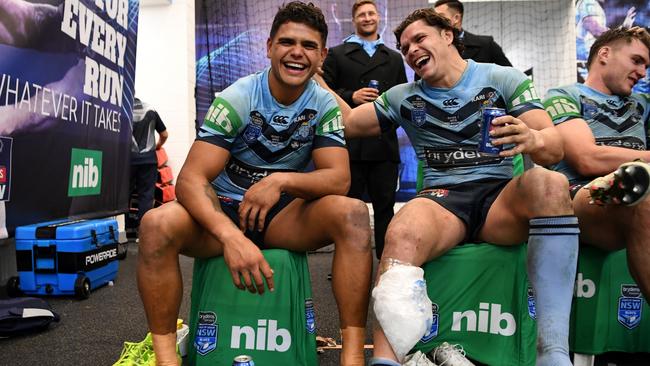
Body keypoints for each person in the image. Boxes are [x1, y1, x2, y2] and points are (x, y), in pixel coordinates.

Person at [317, 8, 579, 366]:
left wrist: (532, 136)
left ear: (448, 34)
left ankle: (553, 354)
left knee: (549, 183)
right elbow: (347, 122)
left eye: (418, 39)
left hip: (498, 200)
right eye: (404, 46)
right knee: (402, 230)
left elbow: (555, 147)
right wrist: (316, 76)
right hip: (442, 202)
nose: (410, 50)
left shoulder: (502, 78)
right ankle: (385, 361)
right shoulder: (401, 97)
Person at [136, 2, 372, 366]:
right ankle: (166, 358)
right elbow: (190, 179)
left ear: (322, 55)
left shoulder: (324, 104)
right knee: (155, 223)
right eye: (286, 42)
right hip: (225, 213)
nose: (297, 53)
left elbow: (339, 179)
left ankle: (353, 357)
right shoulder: (238, 97)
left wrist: (280, 180)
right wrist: (230, 237)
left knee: (354, 214)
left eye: (309, 46)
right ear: (269, 47)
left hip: (282, 218)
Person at [543, 26, 650, 300]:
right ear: (604, 54)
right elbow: (586, 158)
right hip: (586, 196)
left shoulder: (641, 104)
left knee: (643, 186)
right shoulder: (564, 96)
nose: (642, 72)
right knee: (640, 187)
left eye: (646, 65)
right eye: (636, 60)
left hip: (639, 194)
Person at [322, 0, 407, 259]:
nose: (367, 18)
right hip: (350, 147)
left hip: (384, 146)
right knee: (348, 208)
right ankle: (347, 260)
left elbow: (403, 98)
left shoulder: (393, 57)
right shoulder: (336, 54)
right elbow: (322, 92)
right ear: (354, 20)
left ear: (378, 17)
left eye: (371, 13)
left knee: (385, 209)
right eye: (362, 14)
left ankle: (385, 261)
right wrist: (351, 96)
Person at [129, 97, 168, 232]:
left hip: (128, 160)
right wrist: (158, 146)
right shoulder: (150, 109)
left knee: (124, 195)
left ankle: (124, 228)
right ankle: (144, 232)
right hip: (148, 159)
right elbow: (164, 134)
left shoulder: (123, 111)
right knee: (146, 195)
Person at [433, 0, 512, 66]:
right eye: (434, 17)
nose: (436, 20)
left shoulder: (486, 44)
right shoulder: (432, 46)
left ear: (456, 18)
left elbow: (510, 74)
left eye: (440, 16)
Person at [575, 0, 636, 81]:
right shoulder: (588, 2)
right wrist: (622, 30)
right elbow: (596, 30)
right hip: (583, 66)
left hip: (589, 64)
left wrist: (622, 29)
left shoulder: (595, 5)